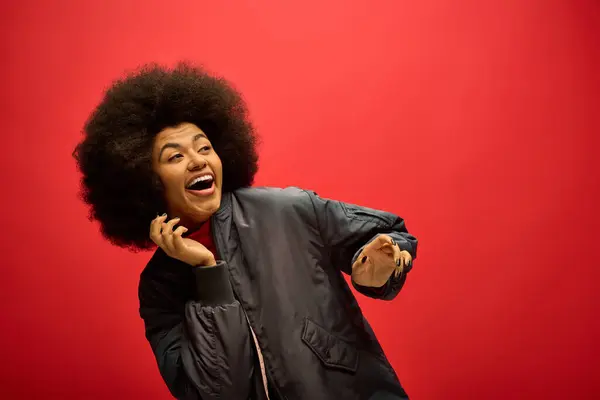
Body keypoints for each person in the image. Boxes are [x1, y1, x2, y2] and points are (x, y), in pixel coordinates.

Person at [73, 63, 418, 400]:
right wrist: (208, 272)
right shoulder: (160, 287)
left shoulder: (286, 209)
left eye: (205, 147)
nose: (198, 161)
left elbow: (389, 234)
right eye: (175, 157)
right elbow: (219, 390)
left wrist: (376, 270)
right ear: (145, 180)